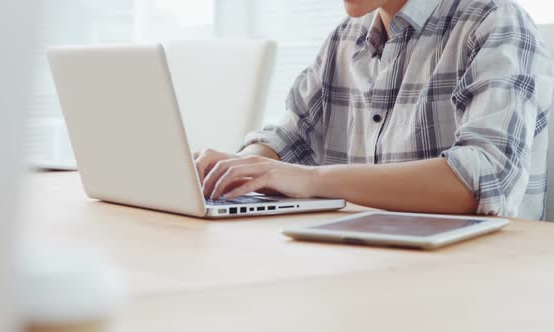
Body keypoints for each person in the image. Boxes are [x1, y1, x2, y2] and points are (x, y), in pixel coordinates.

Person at [195, 0, 554, 220]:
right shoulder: (345, 38)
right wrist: (242, 168)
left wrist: (308, 180)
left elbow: (480, 180)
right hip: (366, 260)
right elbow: (288, 137)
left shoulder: (494, 22)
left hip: (475, 279)